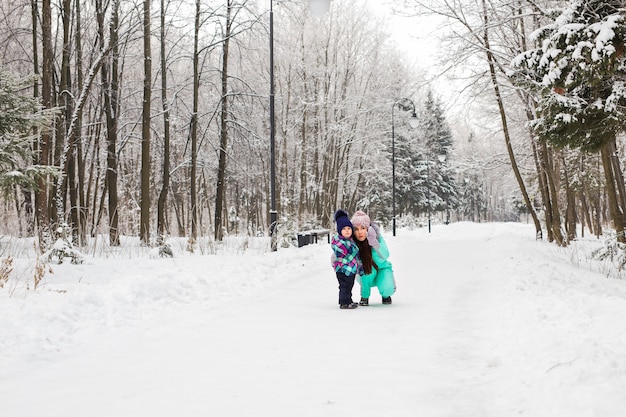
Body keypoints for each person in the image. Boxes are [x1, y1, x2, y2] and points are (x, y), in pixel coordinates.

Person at [351, 210, 396, 305]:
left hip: (382, 269)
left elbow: (385, 255)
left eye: (363, 228)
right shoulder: (352, 243)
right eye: (356, 229)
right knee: (364, 269)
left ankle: (385, 294)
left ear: (368, 229)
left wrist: (374, 242)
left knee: (388, 289)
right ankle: (365, 296)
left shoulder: (377, 238)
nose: (360, 232)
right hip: (366, 273)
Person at [331, 209, 360, 309]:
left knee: (350, 285)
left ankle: (348, 300)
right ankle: (343, 302)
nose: (347, 230)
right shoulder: (339, 241)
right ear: (340, 231)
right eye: (344, 229)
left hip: (351, 268)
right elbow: (341, 251)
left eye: (349, 228)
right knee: (344, 286)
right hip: (342, 268)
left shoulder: (351, 241)